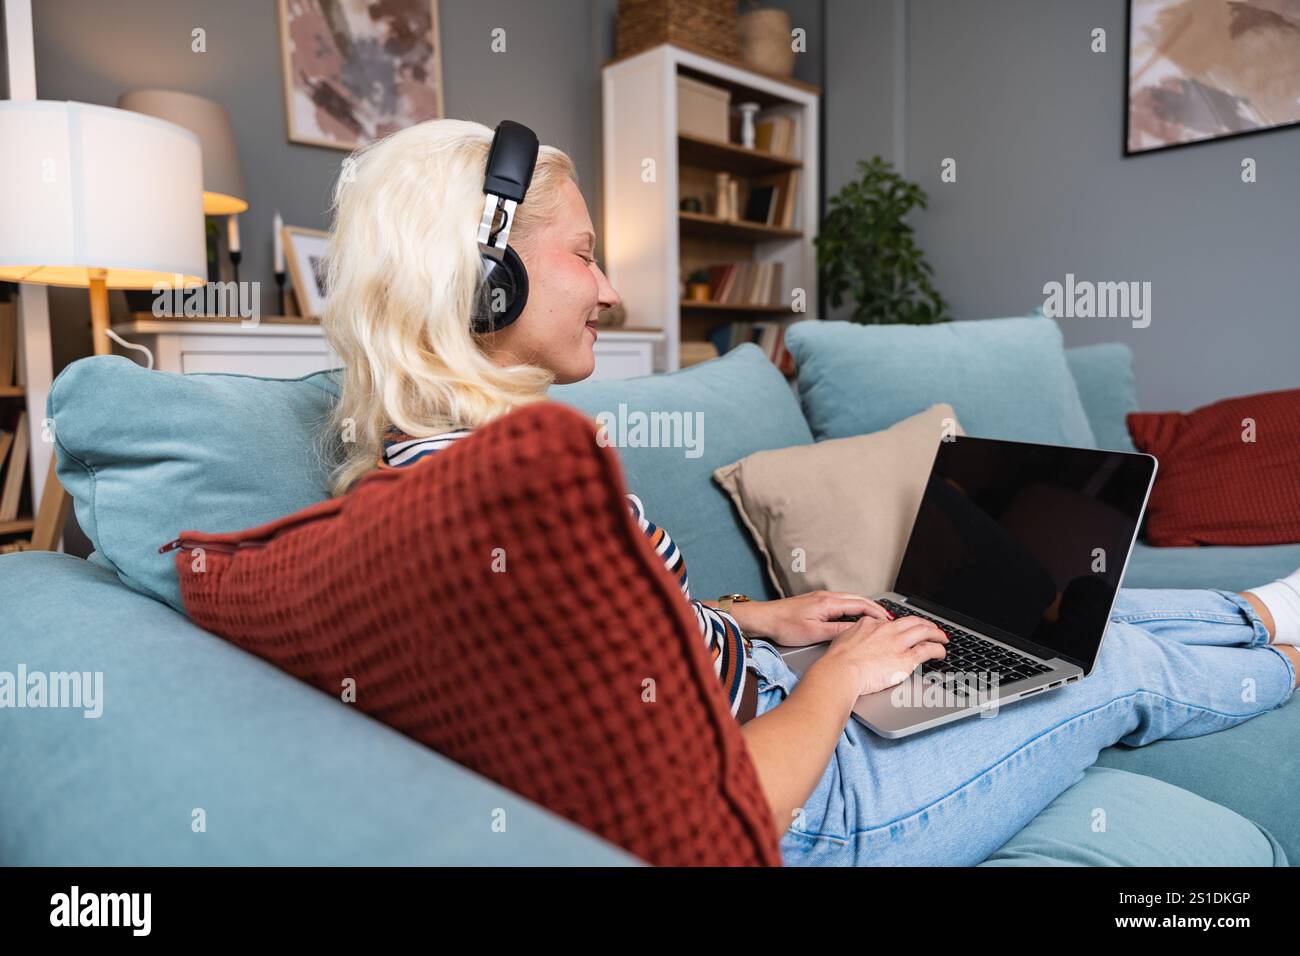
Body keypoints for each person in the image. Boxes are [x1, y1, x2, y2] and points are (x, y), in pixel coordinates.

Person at [319, 118, 1299, 865]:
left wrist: (764, 621)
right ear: (483, 278)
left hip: (767, 702)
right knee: (1101, 660)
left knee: (1038, 610)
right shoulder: (514, 506)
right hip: (817, 803)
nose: (610, 290)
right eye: (582, 252)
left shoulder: (425, 475)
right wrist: (839, 677)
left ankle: (1253, 608)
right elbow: (717, 808)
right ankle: (1286, 651)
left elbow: (598, 644)